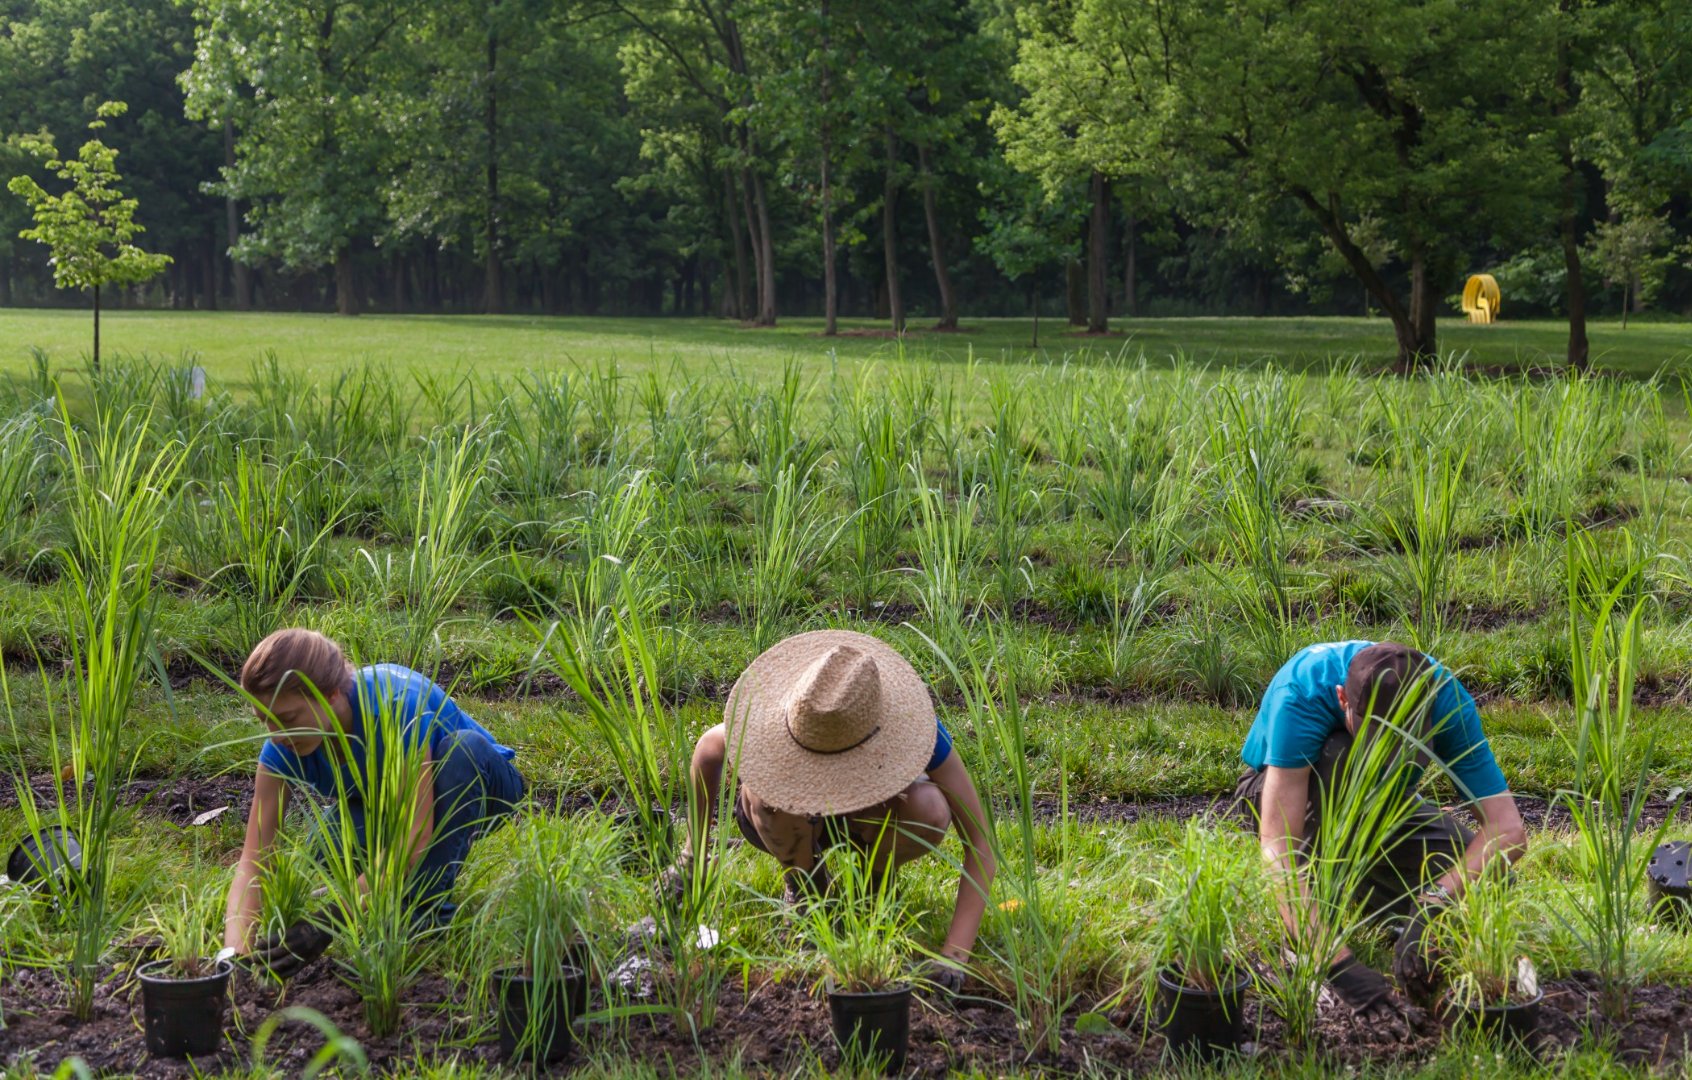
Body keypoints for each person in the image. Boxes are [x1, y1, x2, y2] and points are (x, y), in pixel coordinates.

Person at [663, 629, 996, 992]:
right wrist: (692, 854)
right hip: (788, 821)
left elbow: (980, 845)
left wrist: (954, 956)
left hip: (869, 819)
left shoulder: (918, 733)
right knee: (763, 796)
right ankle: (805, 886)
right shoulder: (783, 718)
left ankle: (874, 887)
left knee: (930, 807)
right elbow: (709, 750)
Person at [1232, 640, 1527, 1027]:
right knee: (1339, 757)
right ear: (1342, 700)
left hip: (1382, 805)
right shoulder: (1302, 692)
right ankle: (1316, 917)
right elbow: (1277, 846)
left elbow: (1507, 830)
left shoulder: (1446, 700)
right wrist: (1338, 966)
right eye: (1378, 741)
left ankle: (1385, 903)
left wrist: (1432, 903)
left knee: (1489, 878)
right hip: (1281, 793)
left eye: (1405, 743)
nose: (1390, 753)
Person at [222, 629, 525, 976]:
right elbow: (255, 858)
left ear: (332, 693)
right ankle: (378, 900)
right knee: (319, 863)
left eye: (287, 719)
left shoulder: (396, 706)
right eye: (265, 721)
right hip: (384, 800)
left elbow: (414, 836)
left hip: (480, 787)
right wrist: (235, 956)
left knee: (462, 749)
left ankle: (423, 919)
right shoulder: (282, 745)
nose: (276, 735)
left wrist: (333, 917)